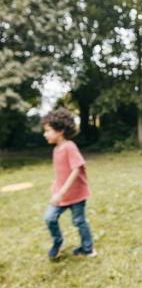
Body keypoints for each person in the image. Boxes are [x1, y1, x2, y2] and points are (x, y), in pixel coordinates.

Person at [42, 108, 96, 259]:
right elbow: (61, 172)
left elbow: (76, 169)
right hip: (61, 195)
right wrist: (55, 187)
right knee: (49, 218)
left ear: (60, 131)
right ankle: (58, 242)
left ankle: (88, 248)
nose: (45, 134)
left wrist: (61, 192)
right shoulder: (56, 150)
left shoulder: (69, 146)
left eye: (48, 130)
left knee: (79, 221)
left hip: (77, 194)